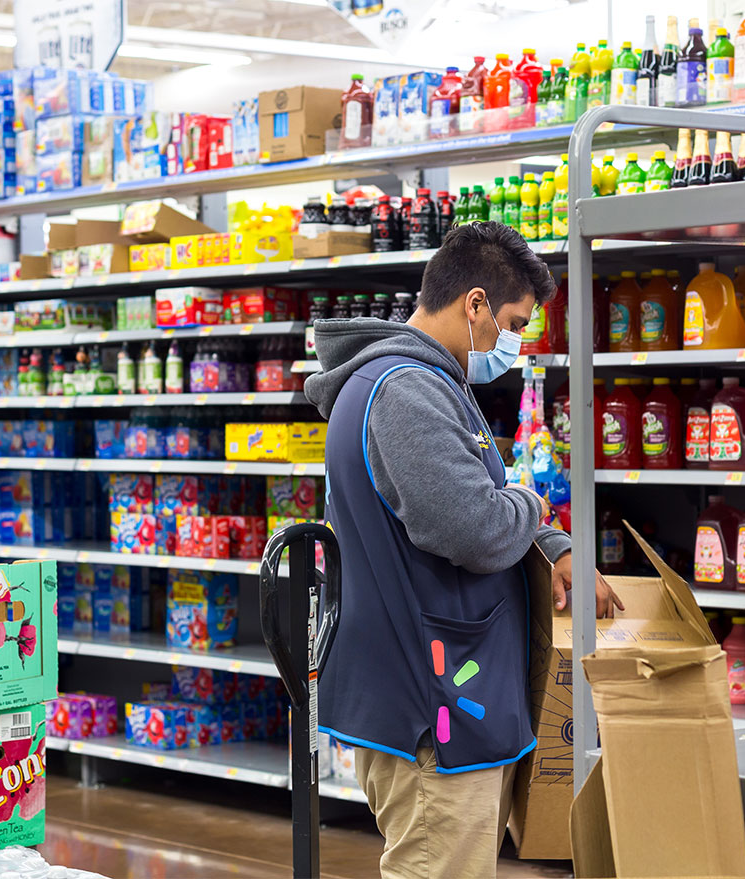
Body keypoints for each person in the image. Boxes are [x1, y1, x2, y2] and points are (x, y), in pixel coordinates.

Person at [304, 221, 621, 879]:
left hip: (450, 696)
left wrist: (550, 543)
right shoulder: (405, 391)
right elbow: (475, 526)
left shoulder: (429, 383)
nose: (516, 341)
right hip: (429, 709)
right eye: (514, 321)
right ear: (474, 304)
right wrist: (531, 501)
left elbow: (478, 494)